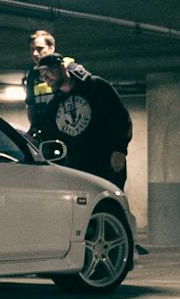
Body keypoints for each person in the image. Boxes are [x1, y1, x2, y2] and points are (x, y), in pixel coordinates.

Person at [21, 28, 132, 183]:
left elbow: (120, 118)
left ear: (62, 68)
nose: (47, 79)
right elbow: (47, 130)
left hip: (105, 161)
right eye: (43, 76)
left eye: (50, 72)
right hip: (76, 166)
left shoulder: (94, 86)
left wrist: (119, 149)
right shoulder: (53, 104)